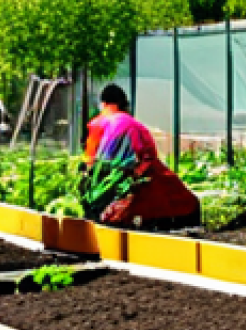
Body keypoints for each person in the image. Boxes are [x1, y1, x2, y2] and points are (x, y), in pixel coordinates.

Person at [81, 83, 201, 230]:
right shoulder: (135, 125)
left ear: (104, 103)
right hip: (140, 175)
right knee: (181, 202)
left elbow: (90, 160)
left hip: (111, 181)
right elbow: (149, 155)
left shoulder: (98, 123)